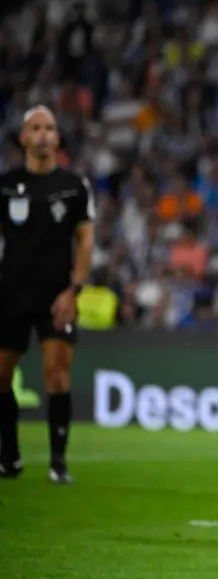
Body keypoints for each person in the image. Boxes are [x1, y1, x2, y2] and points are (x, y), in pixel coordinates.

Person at [0, 106, 94, 484]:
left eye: (50, 128)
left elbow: (85, 241)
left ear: (57, 138)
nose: (43, 134)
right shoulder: (6, 185)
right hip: (10, 294)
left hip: (57, 295)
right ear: (23, 137)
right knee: (1, 376)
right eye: (35, 128)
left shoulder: (73, 186)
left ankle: (58, 462)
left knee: (57, 375)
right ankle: (9, 457)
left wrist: (74, 290)